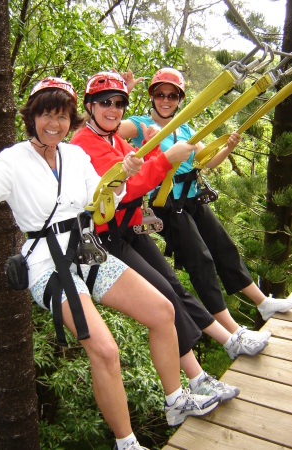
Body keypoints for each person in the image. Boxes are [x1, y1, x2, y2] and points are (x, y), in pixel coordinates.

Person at [0, 77, 220, 450]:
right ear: (31, 116)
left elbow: (104, 196)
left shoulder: (74, 156)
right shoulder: (13, 160)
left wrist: (124, 172)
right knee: (106, 350)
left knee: (162, 310)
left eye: (62, 116)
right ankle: (127, 443)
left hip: (85, 249)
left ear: (71, 120)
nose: (54, 124)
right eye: (46, 114)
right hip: (48, 263)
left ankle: (176, 401)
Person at [70, 71, 268, 404]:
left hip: (130, 226)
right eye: (105, 103)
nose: (113, 109)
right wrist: (164, 158)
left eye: (119, 103)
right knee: (164, 297)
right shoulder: (84, 143)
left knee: (173, 286)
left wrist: (153, 153)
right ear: (89, 106)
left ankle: (227, 341)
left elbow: (138, 166)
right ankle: (199, 375)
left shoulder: (112, 139)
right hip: (107, 237)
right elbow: (126, 185)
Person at [118, 67, 292, 336]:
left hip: (191, 197)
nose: (166, 100)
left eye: (172, 96)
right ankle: (233, 331)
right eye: (160, 94)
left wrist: (229, 147)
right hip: (165, 202)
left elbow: (208, 161)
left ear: (179, 100)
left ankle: (263, 303)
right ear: (152, 97)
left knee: (224, 246)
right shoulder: (140, 124)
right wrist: (123, 91)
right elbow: (110, 128)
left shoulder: (185, 128)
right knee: (200, 260)